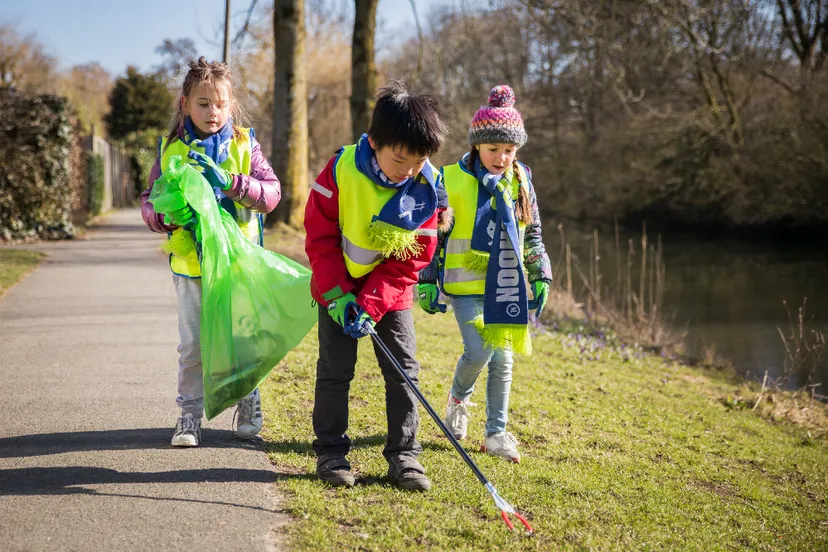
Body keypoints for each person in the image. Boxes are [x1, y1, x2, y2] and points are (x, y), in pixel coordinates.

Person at [304, 81, 449, 491]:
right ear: (374, 142)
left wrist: (371, 302)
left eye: (418, 161)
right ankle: (331, 452)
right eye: (400, 159)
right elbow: (319, 237)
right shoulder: (341, 170)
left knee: (403, 371)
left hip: (389, 292)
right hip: (336, 287)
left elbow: (414, 258)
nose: (408, 170)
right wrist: (338, 296)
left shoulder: (427, 187)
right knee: (335, 370)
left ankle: (404, 454)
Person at [139, 57, 281, 447]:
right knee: (193, 346)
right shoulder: (170, 149)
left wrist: (233, 183)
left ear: (231, 105)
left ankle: (247, 401)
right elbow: (149, 200)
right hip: (192, 264)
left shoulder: (245, 145)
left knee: (242, 339)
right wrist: (167, 217)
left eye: (220, 104)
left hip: (237, 263)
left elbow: (271, 195)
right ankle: (189, 416)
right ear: (185, 104)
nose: (213, 112)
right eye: (203, 104)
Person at [418, 84, 552, 463]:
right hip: (465, 285)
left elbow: (532, 233)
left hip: (506, 285)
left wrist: (540, 273)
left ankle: (496, 433)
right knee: (478, 351)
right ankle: (458, 398)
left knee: (504, 360)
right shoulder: (450, 179)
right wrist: (427, 280)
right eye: (494, 149)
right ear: (477, 144)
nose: (501, 157)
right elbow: (434, 234)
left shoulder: (522, 181)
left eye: (509, 150)